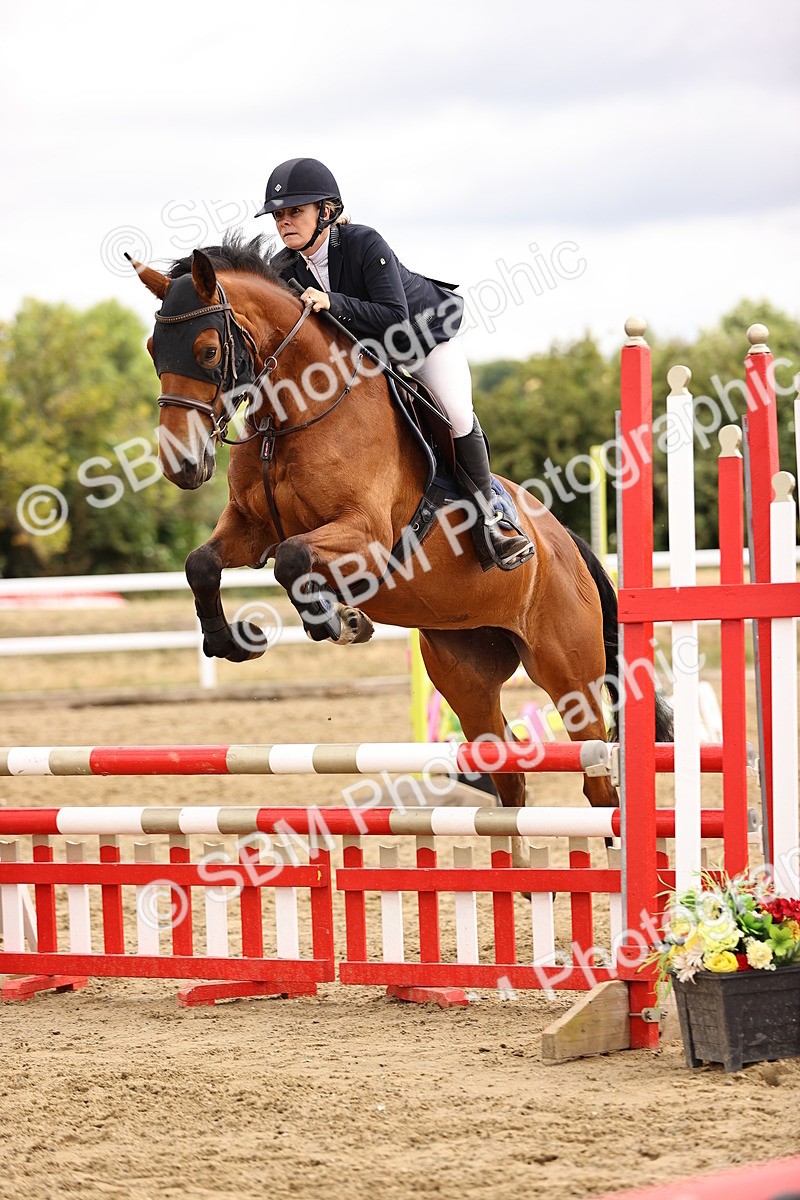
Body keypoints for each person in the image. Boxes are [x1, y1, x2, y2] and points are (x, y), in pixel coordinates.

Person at [255, 156, 534, 570]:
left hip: (422, 341)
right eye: (278, 215)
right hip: (368, 358)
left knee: (456, 414)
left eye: (295, 211)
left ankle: (490, 520)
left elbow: (394, 317)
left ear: (326, 211)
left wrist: (333, 302)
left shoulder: (364, 243)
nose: (284, 222)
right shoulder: (283, 268)